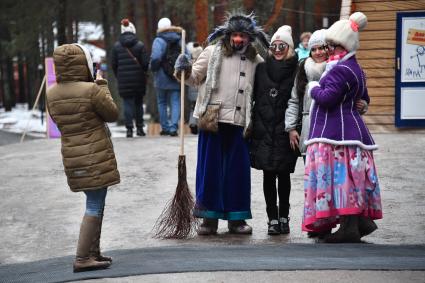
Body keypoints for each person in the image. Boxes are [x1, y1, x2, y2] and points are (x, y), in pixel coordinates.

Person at [175, 12, 269, 235]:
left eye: (243, 36)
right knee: (210, 171)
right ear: (229, 35)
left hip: (240, 122)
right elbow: (193, 79)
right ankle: (209, 219)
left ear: (250, 38)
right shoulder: (212, 52)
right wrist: (184, 69)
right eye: (235, 35)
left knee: (237, 172)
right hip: (212, 119)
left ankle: (236, 219)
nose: (239, 40)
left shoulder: (257, 61)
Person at [302, 12, 382, 243]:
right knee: (352, 178)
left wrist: (313, 87)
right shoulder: (354, 68)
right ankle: (360, 221)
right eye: (328, 46)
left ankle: (349, 227)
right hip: (349, 133)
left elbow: (327, 98)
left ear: (345, 46)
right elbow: (364, 98)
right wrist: (363, 104)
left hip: (335, 135)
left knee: (341, 181)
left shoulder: (340, 69)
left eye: (333, 46)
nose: (329, 50)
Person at [46, 44, 120, 272]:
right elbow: (112, 114)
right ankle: (82, 258)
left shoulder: (52, 93)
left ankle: (93, 253)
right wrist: (102, 85)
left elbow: (59, 122)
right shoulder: (91, 90)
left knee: (96, 202)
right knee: (95, 205)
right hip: (94, 156)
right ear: (84, 64)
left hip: (72, 156)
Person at [249, 25, 299, 235]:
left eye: (282, 46)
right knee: (268, 175)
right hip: (264, 127)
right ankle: (272, 219)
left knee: (284, 175)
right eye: (274, 46)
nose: (278, 49)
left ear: (290, 48)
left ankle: (284, 217)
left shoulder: (298, 69)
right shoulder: (260, 68)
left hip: (286, 130)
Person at [112, 19, 149, 138]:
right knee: (138, 103)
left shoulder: (116, 46)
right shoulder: (140, 45)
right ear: (133, 31)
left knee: (127, 104)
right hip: (138, 79)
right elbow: (145, 63)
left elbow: (114, 64)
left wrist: (119, 76)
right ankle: (140, 128)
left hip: (124, 80)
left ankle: (129, 129)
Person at [150, 17, 183, 136]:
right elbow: (186, 56)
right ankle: (174, 128)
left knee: (162, 102)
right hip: (175, 76)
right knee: (175, 102)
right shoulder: (179, 39)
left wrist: (153, 68)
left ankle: (165, 128)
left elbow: (155, 58)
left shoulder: (158, 40)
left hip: (161, 76)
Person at [186, 42, 204, 134]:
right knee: (200, 107)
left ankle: (192, 122)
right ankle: (198, 123)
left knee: (193, 107)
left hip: (191, 90)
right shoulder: (203, 62)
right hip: (200, 90)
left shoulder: (190, 62)